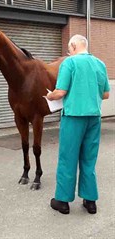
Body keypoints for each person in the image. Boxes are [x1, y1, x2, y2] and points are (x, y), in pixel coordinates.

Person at [46, 34, 110, 215]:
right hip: (94, 118)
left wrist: (50, 95)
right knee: (89, 160)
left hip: (74, 117)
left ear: (73, 46)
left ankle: (63, 201)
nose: (68, 52)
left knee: (68, 159)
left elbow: (60, 92)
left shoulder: (70, 63)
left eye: (69, 48)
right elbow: (105, 95)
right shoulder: (100, 64)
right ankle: (90, 202)